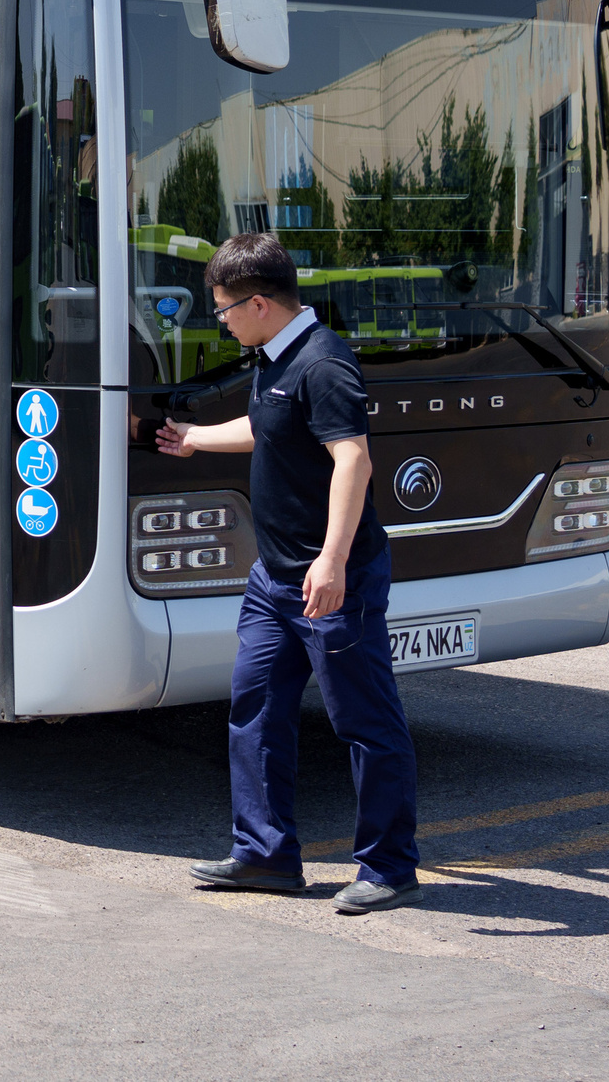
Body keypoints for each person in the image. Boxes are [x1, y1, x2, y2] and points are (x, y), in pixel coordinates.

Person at [157, 232, 421, 913]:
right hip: (274, 580)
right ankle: (266, 855)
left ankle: (389, 866)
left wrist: (331, 560)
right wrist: (193, 439)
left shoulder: (323, 364)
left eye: (223, 310)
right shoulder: (276, 358)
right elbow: (267, 425)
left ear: (259, 302)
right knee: (256, 710)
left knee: (365, 721)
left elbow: (353, 460)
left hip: (330, 582)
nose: (219, 320)